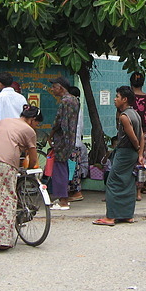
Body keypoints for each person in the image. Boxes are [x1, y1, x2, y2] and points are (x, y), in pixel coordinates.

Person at [0, 105, 39, 250]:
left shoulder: (4, 121)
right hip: (6, 164)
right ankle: (3, 239)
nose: (37, 126)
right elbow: (33, 158)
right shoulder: (29, 130)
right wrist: (29, 169)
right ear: (32, 120)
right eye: (37, 123)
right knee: (7, 198)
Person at [93, 86, 144, 226]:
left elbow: (134, 137)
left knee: (112, 181)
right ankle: (127, 215)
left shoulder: (124, 117)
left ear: (125, 99)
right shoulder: (136, 114)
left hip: (125, 152)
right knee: (127, 182)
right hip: (132, 154)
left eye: (117, 96)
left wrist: (137, 147)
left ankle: (111, 217)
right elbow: (142, 136)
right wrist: (139, 154)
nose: (115, 99)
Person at [48, 76, 79, 210]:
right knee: (64, 168)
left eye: (54, 87)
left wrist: (52, 134)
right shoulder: (75, 100)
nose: (52, 89)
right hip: (70, 139)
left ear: (60, 87)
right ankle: (63, 197)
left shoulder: (65, 101)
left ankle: (63, 200)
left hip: (63, 140)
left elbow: (60, 122)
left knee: (59, 168)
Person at [130, 72, 146, 198]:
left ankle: (127, 189)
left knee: (127, 160)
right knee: (141, 161)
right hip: (144, 133)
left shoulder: (128, 97)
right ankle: (139, 191)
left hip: (129, 132)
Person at [68, 85, 87, 203]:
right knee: (73, 167)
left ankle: (76, 191)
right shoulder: (78, 106)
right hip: (76, 140)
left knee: (72, 168)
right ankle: (73, 191)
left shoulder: (74, 106)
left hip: (73, 141)